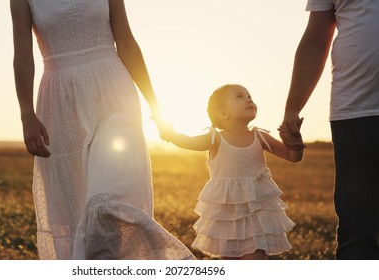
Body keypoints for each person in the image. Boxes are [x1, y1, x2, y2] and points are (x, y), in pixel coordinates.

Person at [10, 0, 193, 260]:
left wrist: (155, 105)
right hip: (61, 101)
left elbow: (127, 43)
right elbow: (23, 56)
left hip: (114, 95)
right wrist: (26, 113)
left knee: (107, 201)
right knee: (72, 212)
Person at [280, 0, 379, 259]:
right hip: (355, 111)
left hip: (355, 112)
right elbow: (315, 38)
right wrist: (293, 108)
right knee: (357, 228)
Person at [159, 84, 304, 259]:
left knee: (256, 258)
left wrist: (295, 141)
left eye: (249, 95)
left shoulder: (260, 137)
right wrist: (171, 134)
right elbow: (188, 141)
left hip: (255, 211)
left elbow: (293, 156)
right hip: (226, 214)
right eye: (240, 96)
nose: (249, 99)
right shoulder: (215, 139)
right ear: (223, 114)